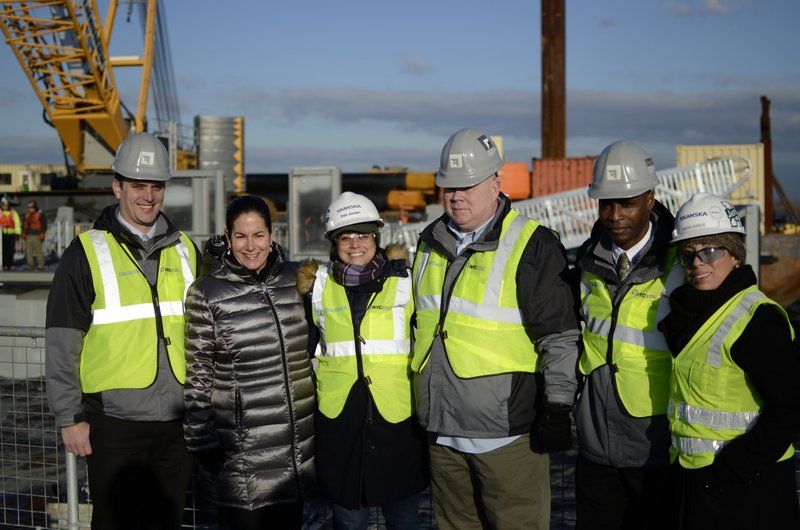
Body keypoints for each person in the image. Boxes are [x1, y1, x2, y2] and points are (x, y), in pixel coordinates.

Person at [411, 128, 580, 530]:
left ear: (495, 185)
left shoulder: (531, 245)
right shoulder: (428, 242)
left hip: (505, 436)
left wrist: (558, 406)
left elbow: (559, 336)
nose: (457, 196)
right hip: (443, 433)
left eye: (468, 185)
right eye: (449, 186)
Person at [45, 132, 200, 530]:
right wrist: (69, 416)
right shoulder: (86, 253)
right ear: (118, 187)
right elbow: (63, 343)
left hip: (176, 425)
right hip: (114, 425)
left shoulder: (185, 249)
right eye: (137, 185)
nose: (147, 196)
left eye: (155, 186)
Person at [659, 193, 800, 529]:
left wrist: (731, 470)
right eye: (688, 254)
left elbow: (791, 406)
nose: (697, 263)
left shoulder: (757, 319)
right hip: (695, 482)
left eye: (710, 251)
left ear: (735, 256)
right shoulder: (686, 313)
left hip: (748, 489)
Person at [297, 192, 428, 530]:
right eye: (346, 236)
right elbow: (302, 351)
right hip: (341, 426)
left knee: (403, 520)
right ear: (333, 242)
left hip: (397, 423)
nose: (355, 244)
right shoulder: (316, 288)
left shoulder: (405, 282)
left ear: (376, 237)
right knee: (350, 523)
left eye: (363, 235)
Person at [183, 195, 316, 530]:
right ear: (227, 238)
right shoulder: (207, 293)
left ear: (272, 235)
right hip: (242, 454)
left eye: (258, 235)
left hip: (296, 450)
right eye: (240, 236)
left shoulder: (297, 281)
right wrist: (201, 439)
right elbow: (198, 373)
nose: (250, 246)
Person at [574, 140, 680, 529]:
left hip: (655, 444)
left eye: (627, 203)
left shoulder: (679, 265)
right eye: (605, 204)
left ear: (650, 200)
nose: (614, 215)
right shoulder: (587, 261)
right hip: (596, 441)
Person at [22, 200, 47, 270]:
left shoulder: (40, 214)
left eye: (31, 207)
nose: (30, 209)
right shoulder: (26, 215)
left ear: (35, 207)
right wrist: (23, 233)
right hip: (28, 235)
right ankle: (30, 265)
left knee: (38, 251)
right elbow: (24, 225)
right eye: (28, 207)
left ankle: (41, 265)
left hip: (37, 235)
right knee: (28, 251)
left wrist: (42, 233)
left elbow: (44, 225)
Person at [1, 196, 21, 270]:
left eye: (6, 205)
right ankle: (4, 264)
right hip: (2, 234)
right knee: (3, 250)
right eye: (3, 205)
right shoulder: (0, 212)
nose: (5, 206)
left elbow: (17, 223)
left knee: (11, 250)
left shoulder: (13, 212)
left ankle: (11, 263)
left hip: (11, 234)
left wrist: (18, 233)